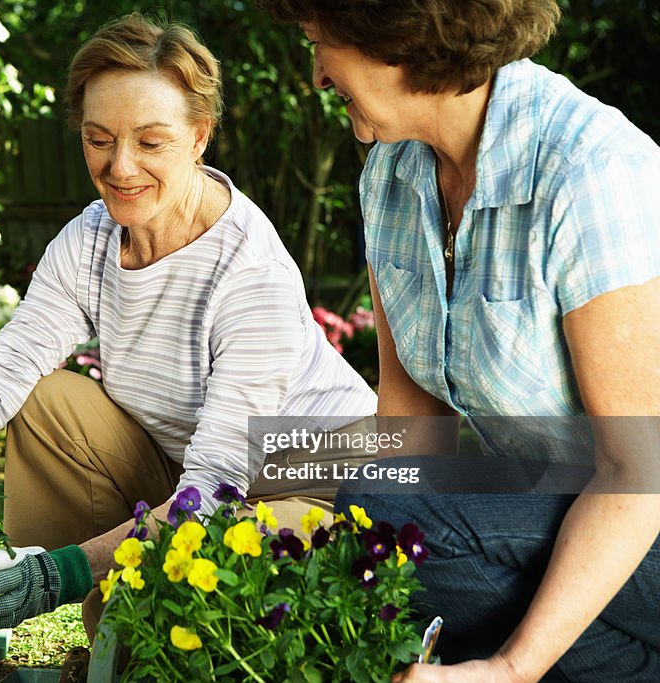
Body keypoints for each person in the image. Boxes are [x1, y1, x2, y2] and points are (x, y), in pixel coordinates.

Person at [0, 13, 378, 639]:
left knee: (240, 600)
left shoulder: (250, 272)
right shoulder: (88, 242)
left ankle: (109, 605)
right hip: (196, 469)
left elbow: (214, 493)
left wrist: (60, 572)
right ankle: (111, 620)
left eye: (151, 142)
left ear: (199, 136)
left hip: (321, 477)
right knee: (48, 401)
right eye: (99, 138)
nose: (121, 166)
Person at [259, 1, 660, 681]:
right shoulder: (390, 179)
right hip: (555, 512)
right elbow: (415, 436)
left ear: (399, 37)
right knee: (355, 502)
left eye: (318, 41)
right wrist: (290, 495)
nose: (318, 75)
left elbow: (638, 473)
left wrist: (508, 666)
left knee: (394, 516)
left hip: (640, 511)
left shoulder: (590, 169)